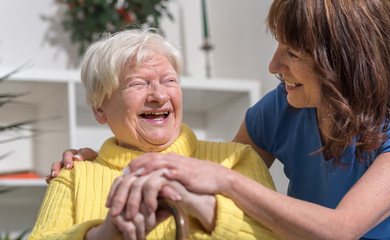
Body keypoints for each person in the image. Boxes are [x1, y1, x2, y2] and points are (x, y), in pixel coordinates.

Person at [56, 0, 390, 239]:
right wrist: (109, 155)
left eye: (293, 53)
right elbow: (212, 177)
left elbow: (342, 229)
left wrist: (224, 179)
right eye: (278, 45)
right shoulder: (281, 108)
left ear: (343, 60)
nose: (273, 65)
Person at [28, 29, 279, 240]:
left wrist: (207, 210)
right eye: (137, 83)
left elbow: (276, 235)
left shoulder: (237, 160)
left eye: (169, 81)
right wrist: (102, 234)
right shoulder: (74, 177)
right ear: (99, 109)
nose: (159, 96)